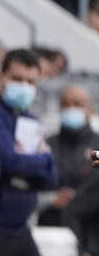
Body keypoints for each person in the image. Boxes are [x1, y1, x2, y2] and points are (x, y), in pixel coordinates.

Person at [0, 49, 57, 256]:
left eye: (30, 81)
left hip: (19, 225)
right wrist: (40, 160)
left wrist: (37, 163)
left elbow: (51, 177)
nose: (24, 86)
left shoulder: (30, 121)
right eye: (18, 79)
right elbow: (5, 160)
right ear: (1, 78)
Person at [38, 85, 99, 229]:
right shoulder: (46, 145)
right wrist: (52, 199)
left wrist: (80, 201)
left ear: (89, 109)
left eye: (77, 104)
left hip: (90, 230)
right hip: (50, 226)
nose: (71, 109)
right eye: (66, 104)